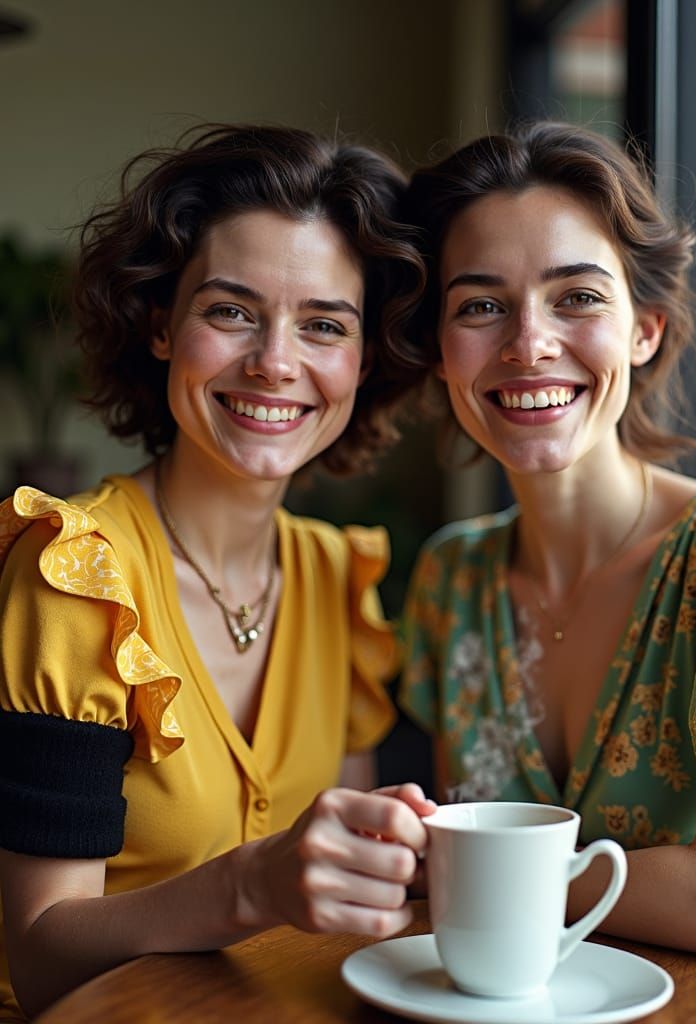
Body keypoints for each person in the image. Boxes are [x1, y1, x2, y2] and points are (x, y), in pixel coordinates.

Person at [0, 124, 434, 1022]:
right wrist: (250, 885)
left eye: (324, 325)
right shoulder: (74, 572)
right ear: (162, 326)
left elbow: (338, 912)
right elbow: (38, 958)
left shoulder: (337, 580)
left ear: (363, 361)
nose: (276, 361)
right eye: (231, 310)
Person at [398, 120, 696, 960]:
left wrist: (459, 870)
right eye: (481, 305)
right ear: (440, 353)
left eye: (578, 297)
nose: (529, 343)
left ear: (646, 329)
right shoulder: (452, 579)